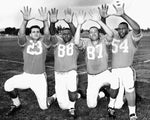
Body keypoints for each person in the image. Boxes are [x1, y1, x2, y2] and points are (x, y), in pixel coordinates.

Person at [4, 6, 52, 116]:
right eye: (33, 31)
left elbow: (48, 34)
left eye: (37, 31)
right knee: (7, 85)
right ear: (29, 34)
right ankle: (16, 104)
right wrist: (25, 21)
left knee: (44, 107)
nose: (35, 33)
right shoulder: (25, 42)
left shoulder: (44, 43)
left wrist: (45, 21)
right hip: (26, 76)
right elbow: (21, 34)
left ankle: (53, 97)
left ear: (40, 33)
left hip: (39, 77)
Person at [74, 9, 119, 114]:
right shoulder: (86, 43)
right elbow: (76, 42)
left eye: (95, 31)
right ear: (88, 35)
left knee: (115, 81)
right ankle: (102, 94)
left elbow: (111, 34)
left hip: (104, 73)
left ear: (99, 34)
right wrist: (79, 25)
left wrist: (99, 21)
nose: (93, 33)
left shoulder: (104, 41)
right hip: (92, 77)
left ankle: (111, 105)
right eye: (91, 32)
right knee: (91, 105)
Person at [107, 3, 142, 120]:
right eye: (119, 28)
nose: (121, 30)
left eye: (124, 28)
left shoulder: (132, 37)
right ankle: (110, 106)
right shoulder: (115, 35)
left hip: (126, 69)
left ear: (128, 29)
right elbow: (105, 31)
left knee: (130, 90)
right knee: (114, 90)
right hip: (115, 70)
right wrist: (102, 19)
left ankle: (132, 112)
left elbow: (137, 28)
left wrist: (123, 15)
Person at [48, 8, 81, 117]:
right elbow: (52, 33)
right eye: (64, 34)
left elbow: (76, 33)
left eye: (68, 33)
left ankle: (72, 107)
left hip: (71, 72)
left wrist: (70, 22)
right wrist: (52, 23)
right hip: (59, 73)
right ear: (61, 34)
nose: (66, 35)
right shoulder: (57, 42)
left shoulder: (76, 42)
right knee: (63, 106)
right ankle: (54, 96)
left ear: (71, 35)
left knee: (71, 93)